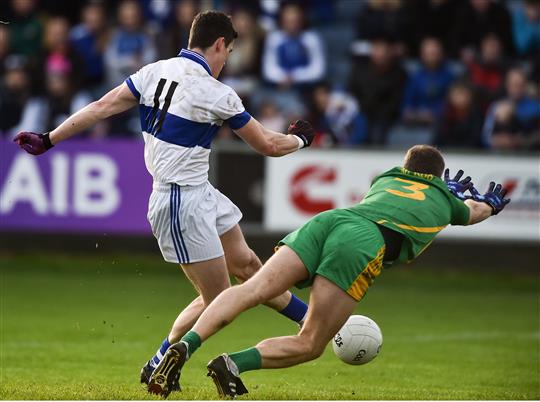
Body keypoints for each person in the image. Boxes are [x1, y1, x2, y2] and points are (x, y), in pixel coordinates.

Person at [13, 10, 313, 396]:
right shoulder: (215, 91)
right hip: (179, 200)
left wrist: (50, 138)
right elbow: (269, 145)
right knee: (219, 302)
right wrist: (302, 140)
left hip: (199, 191)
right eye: (229, 52)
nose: (227, 62)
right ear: (219, 44)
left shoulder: (152, 71)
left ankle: (316, 323)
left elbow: (102, 106)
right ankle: (161, 359)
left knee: (249, 266)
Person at [150, 145, 511, 398]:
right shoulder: (447, 202)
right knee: (311, 343)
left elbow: (415, 189)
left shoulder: (387, 179)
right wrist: (488, 206)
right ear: (439, 177)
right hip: (364, 242)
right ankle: (233, 364)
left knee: (252, 288)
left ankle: (186, 344)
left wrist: (439, 189)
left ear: (406, 168)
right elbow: (473, 212)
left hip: (330, 221)